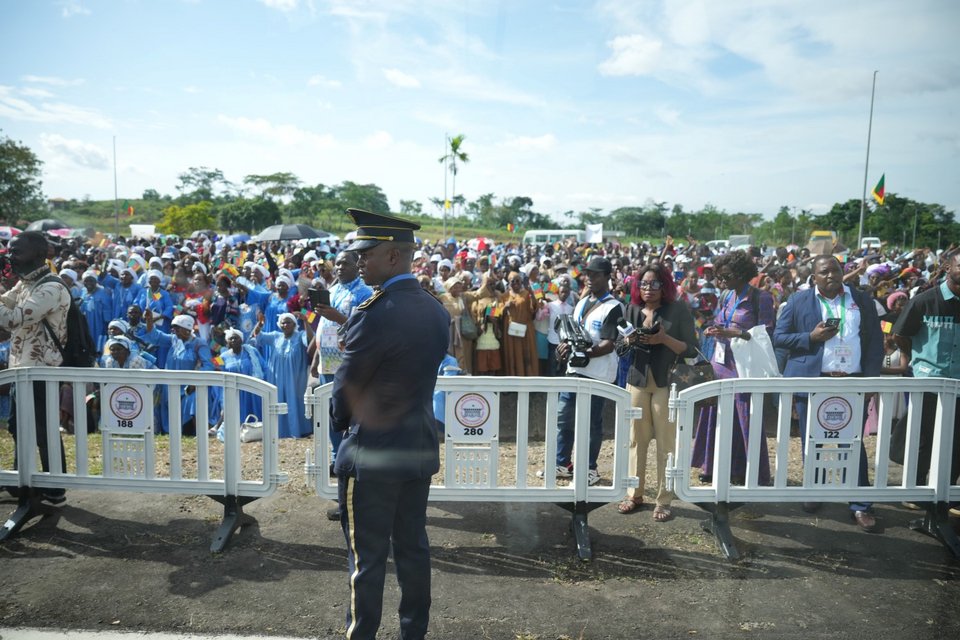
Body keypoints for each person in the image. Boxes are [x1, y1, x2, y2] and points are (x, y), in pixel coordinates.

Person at [330, 208, 449, 640]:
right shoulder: (436, 311)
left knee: (368, 558)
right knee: (413, 549)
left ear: (394, 258)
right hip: (416, 446)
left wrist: (342, 428)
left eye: (367, 254)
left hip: (373, 452)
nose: (360, 262)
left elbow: (346, 390)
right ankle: (412, 633)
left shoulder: (373, 312)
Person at [773, 254, 884, 532]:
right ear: (814, 277)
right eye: (824, 272)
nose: (831, 275)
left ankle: (860, 503)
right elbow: (780, 337)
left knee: (853, 442)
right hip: (813, 381)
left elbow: (874, 342)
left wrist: (871, 380)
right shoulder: (798, 301)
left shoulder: (861, 300)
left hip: (852, 381)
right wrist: (810, 338)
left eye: (835, 270)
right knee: (814, 441)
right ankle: (814, 490)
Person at [615, 264, 698, 521]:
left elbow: (691, 349)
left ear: (665, 285)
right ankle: (634, 493)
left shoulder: (678, 309)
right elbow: (618, 346)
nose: (648, 289)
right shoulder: (630, 310)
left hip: (666, 382)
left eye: (654, 284)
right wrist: (628, 341)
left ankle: (663, 500)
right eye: (643, 284)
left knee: (666, 443)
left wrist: (664, 340)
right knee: (635, 439)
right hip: (637, 380)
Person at [691, 250, 774, 486]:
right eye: (719, 277)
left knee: (744, 418)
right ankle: (713, 466)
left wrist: (735, 333)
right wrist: (713, 328)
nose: (721, 282)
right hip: (721, 362)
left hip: (743, 366)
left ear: (741, 274)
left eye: (726, 277)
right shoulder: (727, 295)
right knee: (716, 415)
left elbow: (767, 332)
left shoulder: (762, 298)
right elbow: (721, 319)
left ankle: (748, 471)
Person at [0, 231, 71, 503]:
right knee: (18, 426)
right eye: (9, 250)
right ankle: (21, 482)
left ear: (39, 254)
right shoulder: (26, 284)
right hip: (21, 369)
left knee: (43, 428)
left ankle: (55, 488)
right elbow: (7, 303)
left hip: (42, 371)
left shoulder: (51, 287)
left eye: (16, 251)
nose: (10, 255)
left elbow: (14, 318)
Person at [547, 256, 624, 486]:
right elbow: (573, 334)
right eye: (587, 274)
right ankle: (563, 463)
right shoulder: (580, 302)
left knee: (592, 422)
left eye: (595, 274)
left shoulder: (614, 306)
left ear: (607, 277)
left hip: (598, 373)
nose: (589, 278)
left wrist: (584, 353)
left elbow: (610, 342)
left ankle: (590, 468)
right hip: (575, 369)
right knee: (564, 418)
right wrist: (565, 347)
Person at [892, 251, 960, 489]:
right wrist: (919, 359)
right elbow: (900, 335)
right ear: (948, 268)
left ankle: (944, 491)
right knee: (922, 437)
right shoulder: (924, 301)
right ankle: (915, 487)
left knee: (955, 441)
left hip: (958, 386)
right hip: (929, 382)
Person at [252, 311, 313, 438]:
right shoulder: (275, 336)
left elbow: (310, 340)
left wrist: (306, 321)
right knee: (278, 399)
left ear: (294, 324)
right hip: (277, 375)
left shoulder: (300, 335)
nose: (285, 325)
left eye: (288, 322)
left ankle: (299, 429)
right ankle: (280, 430)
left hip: (295, 377)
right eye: (283, 322)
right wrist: (260, 324)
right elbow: (258, 336)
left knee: (295, 400)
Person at [500, 271, 540, 375]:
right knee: (512, 355)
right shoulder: (503, 296)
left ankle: (529, 383)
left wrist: (531, 293)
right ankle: (513, 383)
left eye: (518, 281)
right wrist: (505, 307)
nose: (516, 283)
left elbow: (534, 308)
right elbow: (497, 314)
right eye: (513, 281)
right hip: (510, 331)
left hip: (525, 330)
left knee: (526, 355)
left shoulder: (526, 294)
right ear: (509, 283)